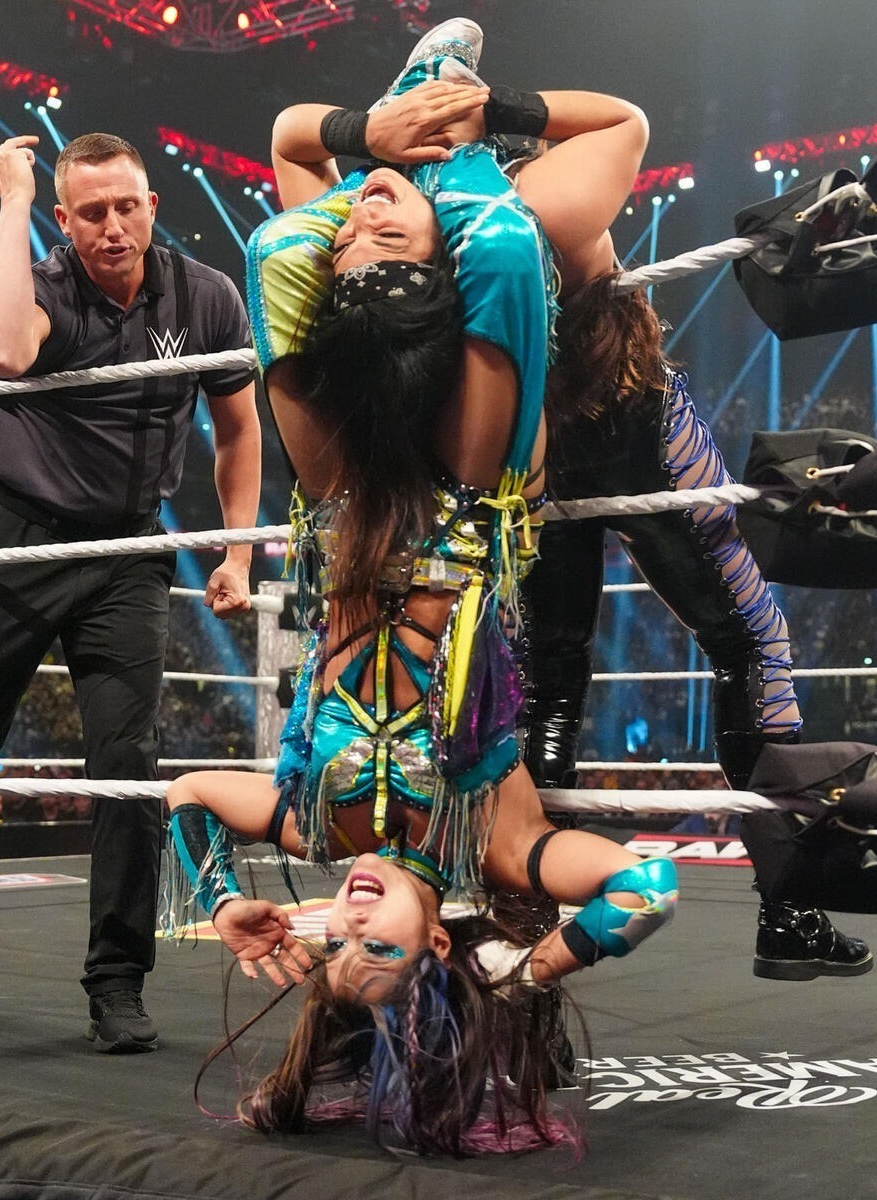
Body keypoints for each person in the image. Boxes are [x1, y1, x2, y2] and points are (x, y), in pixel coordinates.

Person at [166, 21, 676, 1150]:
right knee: (495, 240)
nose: (349, 923)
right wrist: (528, 967)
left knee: (279, 251)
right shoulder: (495, 842)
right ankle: (445, 133)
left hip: (344, 507)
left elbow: (189, 798)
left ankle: (409, 134)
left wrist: (228, 903)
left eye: (335, 950)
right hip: (472, 503)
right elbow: (647, 886)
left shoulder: (314, 824)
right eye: (380, 948)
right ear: (437, 941)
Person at [0, 131, 262, 1055]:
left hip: (128, 550)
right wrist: (14, 200)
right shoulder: (44, 285)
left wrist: (237, 552)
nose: (113, 227)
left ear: (153, 205)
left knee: (127, 763)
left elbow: (238, 426)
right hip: (20, 534)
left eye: (127, 206)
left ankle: (117, 979)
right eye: (92, 212)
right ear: (66, 220)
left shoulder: (206, 296)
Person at [521, 277, 873, 981]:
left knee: (552, 675)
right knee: (754, 641)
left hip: (530, 408)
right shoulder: (561, 228)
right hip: (619, 394)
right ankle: (790, 913)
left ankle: (525, 918)